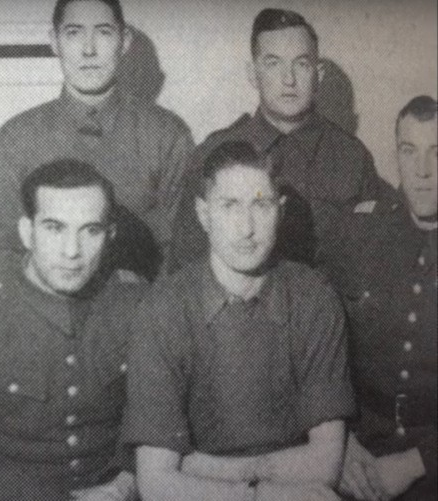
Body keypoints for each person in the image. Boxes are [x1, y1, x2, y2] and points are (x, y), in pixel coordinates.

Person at [125, 141, 355, 501]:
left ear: (280, 211)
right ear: (203, 214)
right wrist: (260, 494)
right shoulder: (163, 309)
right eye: (229, 206)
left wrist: (197, 466)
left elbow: (327, 464)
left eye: (260, 205)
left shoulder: (314, 299)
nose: (246, 228)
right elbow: (155, 484)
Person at [0, 159, 148, 500]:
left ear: (110, 235)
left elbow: (157, 423)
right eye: (55, 228)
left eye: (91, 230)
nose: (72, 251)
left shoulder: (136, 303)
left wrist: (126, 484)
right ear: (27, 233)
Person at [0, 0, 193, 282]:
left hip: (140, 316)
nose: (89, 50)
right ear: (54, 42)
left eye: (104, 32)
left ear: (124, 41)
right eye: (73, 33)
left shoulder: (167, 135)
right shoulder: (16, 138)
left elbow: (185, 254)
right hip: (43, 320)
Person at [170, 8, 380, 271]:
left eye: (301, 64)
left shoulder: (351, 158)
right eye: (273, 63)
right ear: (253, 74)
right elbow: (185, 265)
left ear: (319, 74)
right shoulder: (214, 153)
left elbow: (373, 265)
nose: (288, 79)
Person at [323, 96, 436, 501]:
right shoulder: (361, 234)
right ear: (396, 155)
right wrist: (340, 440)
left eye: (436, 152)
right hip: (358, 454)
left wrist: (415, 464)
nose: (423, 171)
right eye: (410, 151)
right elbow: (321, 350)